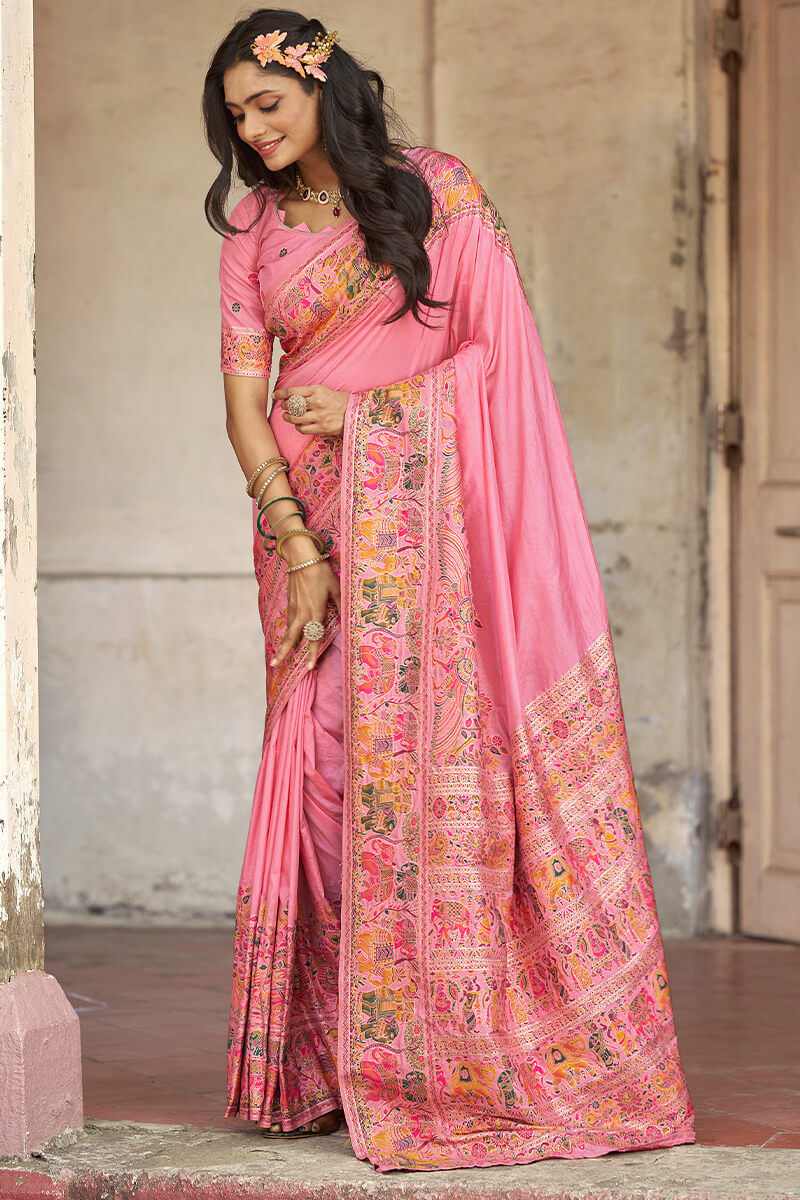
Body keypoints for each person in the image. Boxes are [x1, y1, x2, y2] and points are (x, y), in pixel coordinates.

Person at [202, 7, 695, 1173]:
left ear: (322, 86)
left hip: (432, 537)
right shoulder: (252, 231)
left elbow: (493, 357)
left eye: (265, 103)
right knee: (322, 780)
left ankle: (446, 1053)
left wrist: (375, 418)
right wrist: (299, 537)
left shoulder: (436, 192)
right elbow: (239, 397)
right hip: (305, 532)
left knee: (431, 775)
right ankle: (333, 1056)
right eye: (234, 117)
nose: (252, 131)